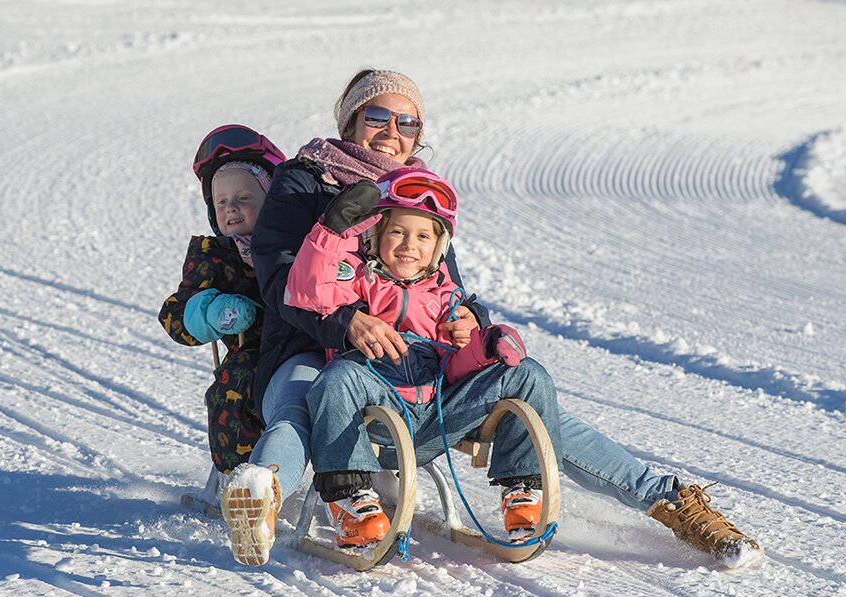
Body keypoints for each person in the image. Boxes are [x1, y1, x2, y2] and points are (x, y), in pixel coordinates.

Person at [221, 69, 762, 570]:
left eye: (406, 122)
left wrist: (469, 324)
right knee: (301, 404)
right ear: (351, 123)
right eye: (377, 117)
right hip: (312, 347)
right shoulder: (304, 180)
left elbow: (446, 284)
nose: (392, 132)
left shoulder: (418, 192)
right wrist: (348, 324)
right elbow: (284, 280)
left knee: (534, 404)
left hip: (416, 363)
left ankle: (666, 500)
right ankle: (260, 492)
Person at [286, 168, 556, 547]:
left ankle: (523, 489)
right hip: (376, 415)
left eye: (423, 235)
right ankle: (351, 499)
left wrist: (478, 345)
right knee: (337, 378)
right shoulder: (359, 279)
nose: (408, 245)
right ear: (376, 235)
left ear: (439, 247)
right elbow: (308, 293)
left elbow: (457, 370)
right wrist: (330, 232)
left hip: (440, 418)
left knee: (527, 373)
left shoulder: (448, 297)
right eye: (397, 232)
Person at [159, 124, 287, 496]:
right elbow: (174, 314)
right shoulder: (214, 256)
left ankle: (367, 475)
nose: (231, 207)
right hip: (254, 353)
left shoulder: (294, 246)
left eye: (244, 197)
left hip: (304, 344)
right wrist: (212, 311)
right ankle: (240, 481)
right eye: (221, 201)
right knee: (233, 389)